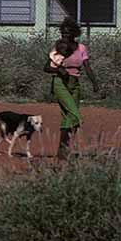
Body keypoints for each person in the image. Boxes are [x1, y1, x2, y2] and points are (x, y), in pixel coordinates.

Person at [44, 17, 101, 160]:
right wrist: (58, 71)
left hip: (75, 84)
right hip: (60, 83)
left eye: (68, 33)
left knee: (67, 118)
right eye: (63, 33)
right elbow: (46, 67)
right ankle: (64, 149)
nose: (65, 36)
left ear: (74, 33)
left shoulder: (81, 48)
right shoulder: (60, 47)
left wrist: (95, 84)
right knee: (75, 115)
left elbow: (87, 67)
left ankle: (62, 150)